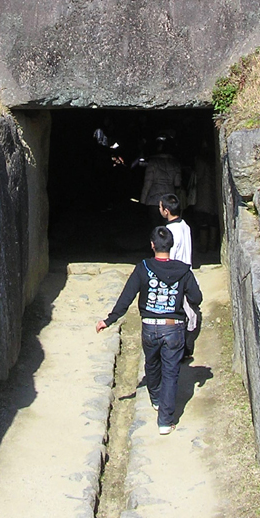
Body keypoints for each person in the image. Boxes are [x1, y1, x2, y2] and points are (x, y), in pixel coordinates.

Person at [96, 226, 202, 434]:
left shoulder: (143, 268)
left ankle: (155, 398)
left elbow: (126, 297)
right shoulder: (183, 270)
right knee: (171, 373)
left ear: (152, 245)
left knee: (152, 364)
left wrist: (109, 320)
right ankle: (165, 421)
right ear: (171, 246)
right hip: (173, 328)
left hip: (150, 326)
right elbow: (196, 298)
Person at [159, 193, 200, 359]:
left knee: (177, 314)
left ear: (166, 211)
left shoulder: (169, 231)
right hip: (187, 271)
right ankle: (186, 348)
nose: (159, 209)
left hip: (175, 275)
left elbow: (170, 255)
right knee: (187, 311)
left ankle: (180, 350)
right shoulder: (185, 225)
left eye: (160, 207)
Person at [140, 137, 182, 228]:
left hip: (153, 200)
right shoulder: (175, 163)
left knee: (155, 227)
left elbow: (147, 183)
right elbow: (177, 183)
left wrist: (142, 201)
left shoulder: (153, 162)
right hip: (169, 200)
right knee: (168, 227)